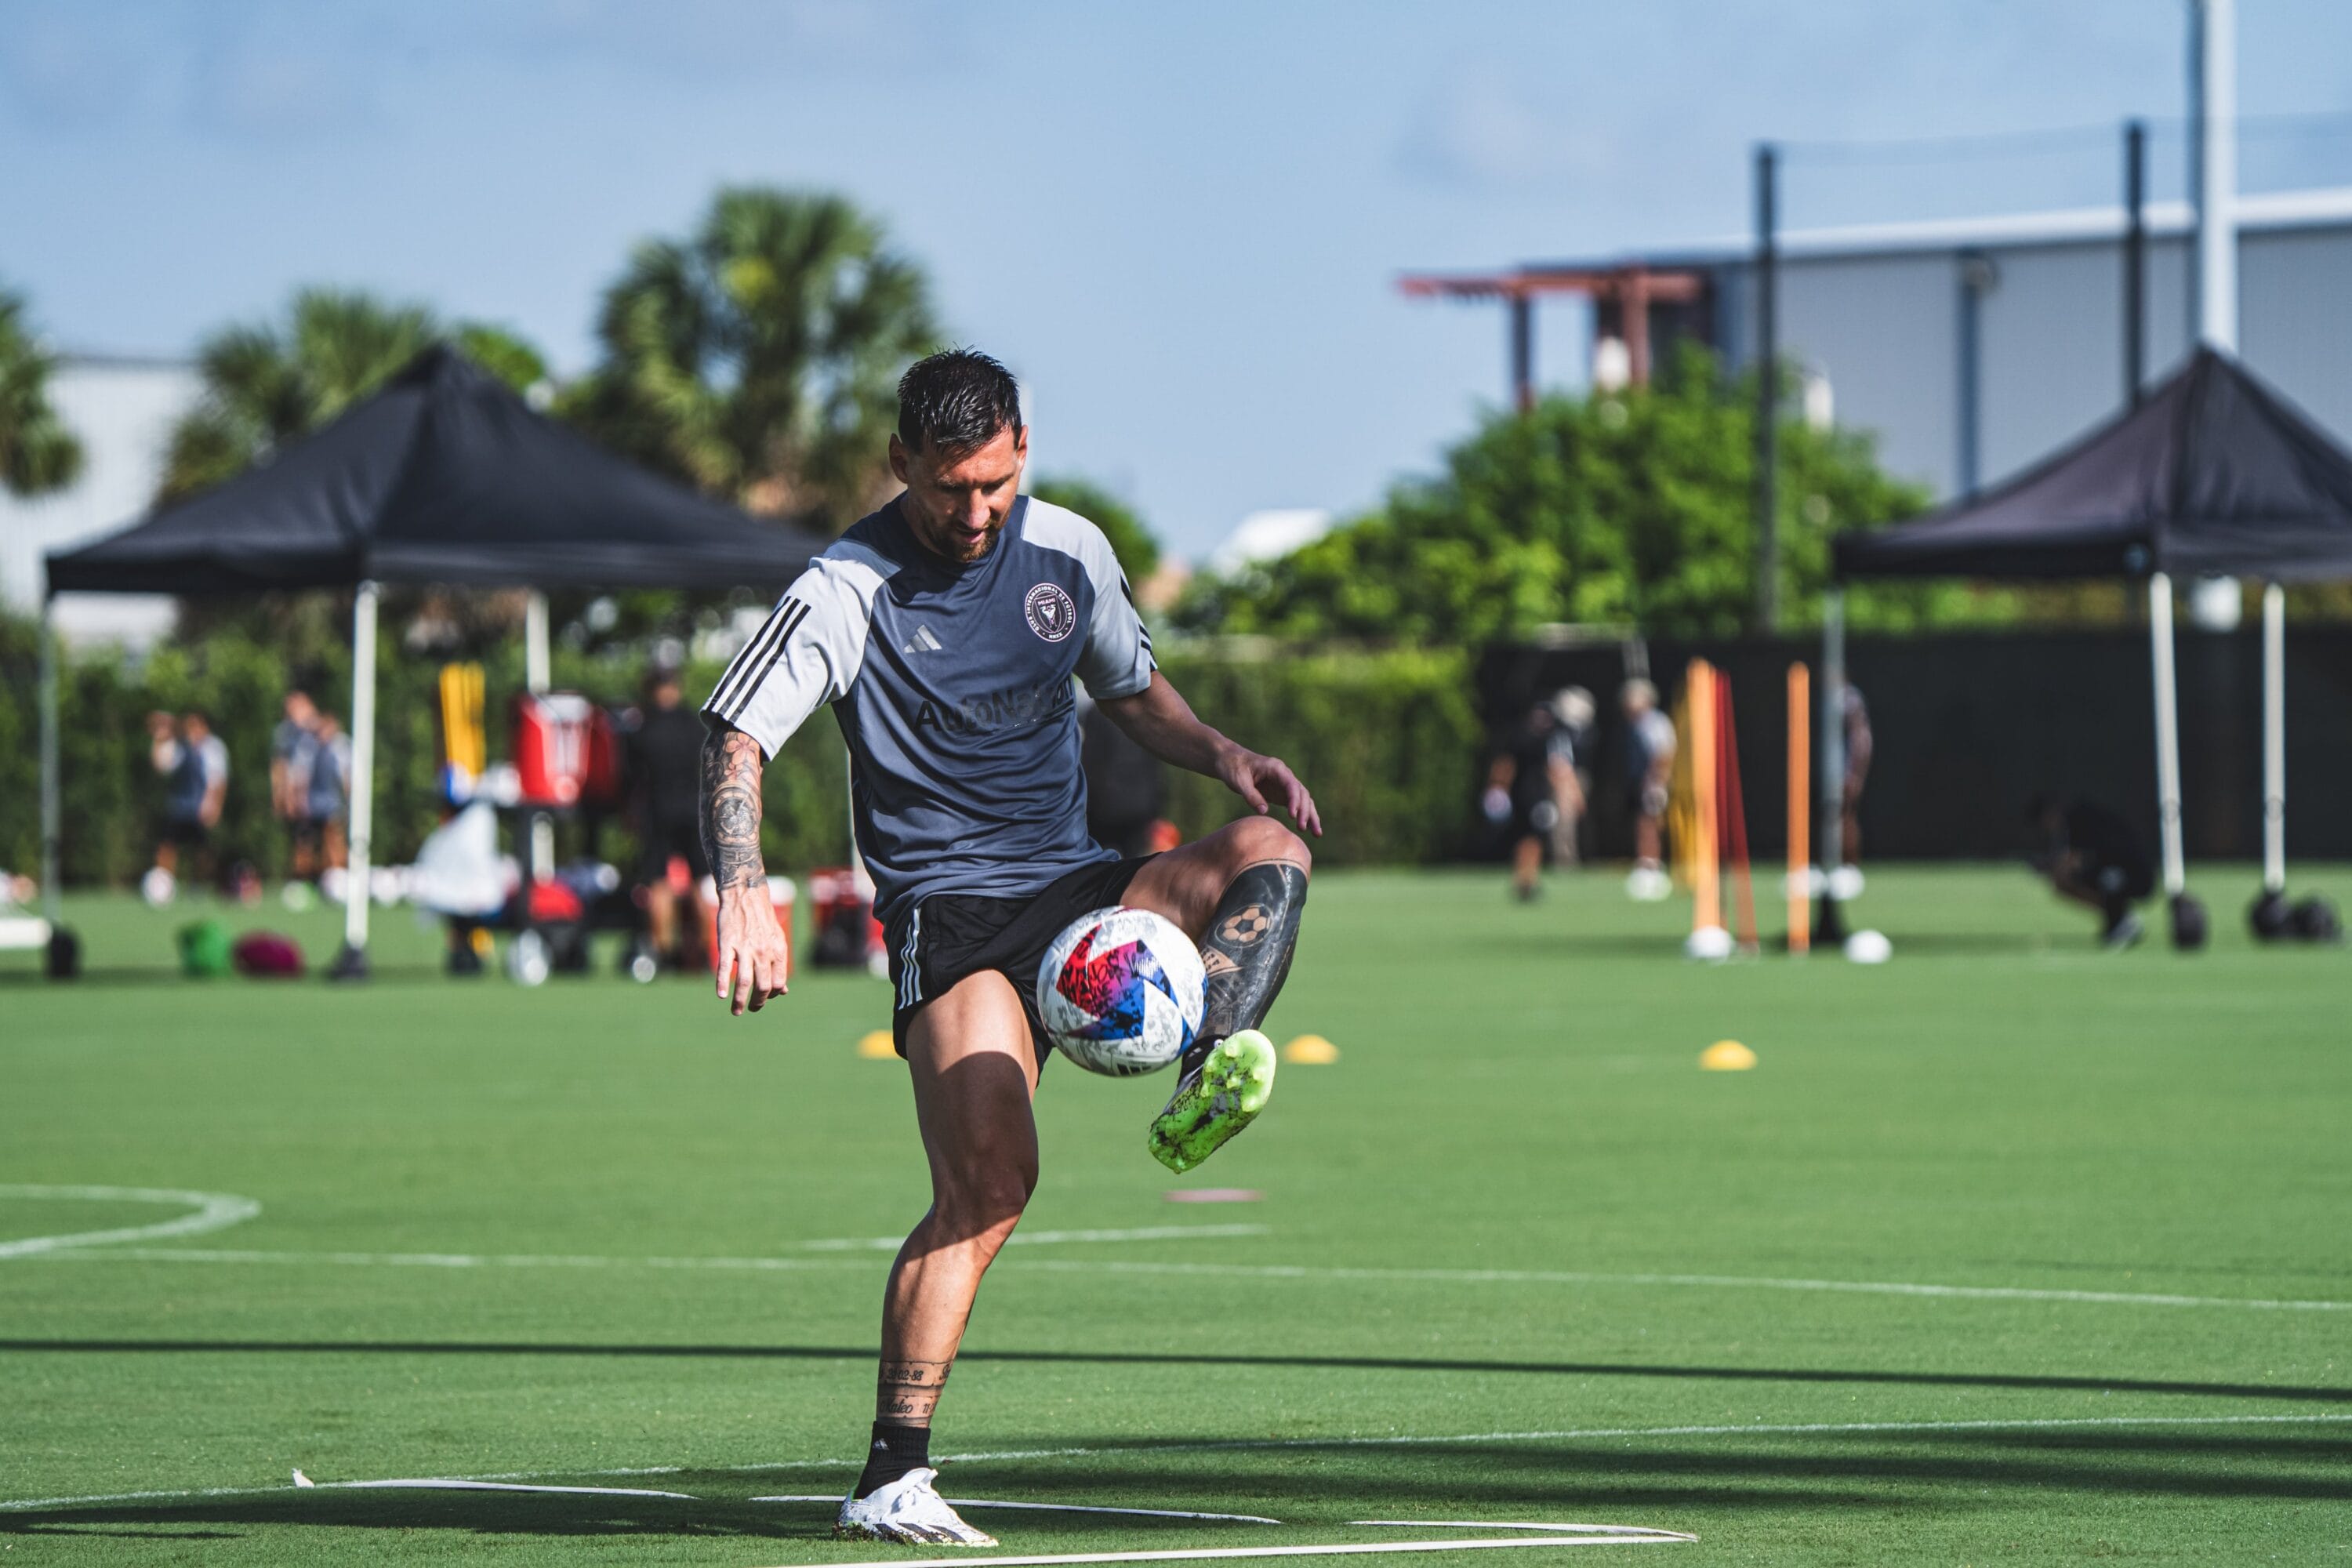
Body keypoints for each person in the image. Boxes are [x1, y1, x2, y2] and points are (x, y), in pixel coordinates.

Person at [699, 350, 1319, 1547]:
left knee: (1266, 847)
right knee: (988, 1190)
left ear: (1021, 449)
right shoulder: (844, 586)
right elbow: (737, 734)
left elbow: (1132, 691)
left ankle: (1213, 1063)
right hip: (957, 922)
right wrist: (741, 890)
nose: (972, 513)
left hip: (1083, 892)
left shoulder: (1069, 552)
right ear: (900, 466)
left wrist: (1227, 754)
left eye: (990, 484)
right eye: (946, 489)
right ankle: (891, 1475)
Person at [626, 660, 713, 968]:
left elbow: (629, 778)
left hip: (657, 811)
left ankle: (662, 954)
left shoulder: (642, 727)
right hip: (693, 810)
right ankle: (702, 954)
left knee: (658, 883)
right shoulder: (693, 724)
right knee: (701, 881)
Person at [2027, 793, 2152, 949]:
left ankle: (2121, 919)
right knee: (2067, 880)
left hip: (2135, 875)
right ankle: (2118, 919)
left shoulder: (2078, 818)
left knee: (2065, 880)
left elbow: (2072, 862)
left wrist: (2049, 866)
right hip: (2119, 870)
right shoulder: (2077, 818)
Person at [1486, 699, 1577, 900]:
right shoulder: (1534, 737)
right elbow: (1554, 768)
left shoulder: (1532, 735)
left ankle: (1526, 877)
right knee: (1531, 837)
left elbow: (1505, 765)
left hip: (1527, 794)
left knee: (1529, 836)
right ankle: (1526, 877)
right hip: (1534, 796)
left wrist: (1498, 788)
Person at [149, 710, 229, 898]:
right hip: (179, 805)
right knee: (168, 845)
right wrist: (159, 739)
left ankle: (198, 885)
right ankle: (164, 885)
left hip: (201, 806)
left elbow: (218, 779)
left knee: (201, 849)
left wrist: (214, 806)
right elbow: (162, 767)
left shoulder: (214, 747)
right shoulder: (179, 747)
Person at [1621, 678, 1675, 901]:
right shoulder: (1637, 723)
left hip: (1653, 782)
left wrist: (1657, 781)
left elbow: (1663, 753)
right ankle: (1644, 862)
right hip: (1641, 780)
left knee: (1649, 823)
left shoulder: (1655, 723)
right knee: (1642, 822)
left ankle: (1651, 865)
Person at [271, 689, 321, 880]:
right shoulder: (285, 732)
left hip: (320, 793)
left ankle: (325, 879)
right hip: (298, 794)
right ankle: (301, 879)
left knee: (329, 838)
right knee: (301, 838)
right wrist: (282, 794)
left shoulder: (317, 729)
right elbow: (280, 765)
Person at [299, 711, 351, 877]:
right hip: (313, 802)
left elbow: (345, 779)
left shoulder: (340, 748)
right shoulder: (310, 747)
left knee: (333, 841)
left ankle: (337, 876)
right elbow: (303, 776)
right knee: (306, 842)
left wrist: (348, 802)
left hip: (332, 803)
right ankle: (306, 879)